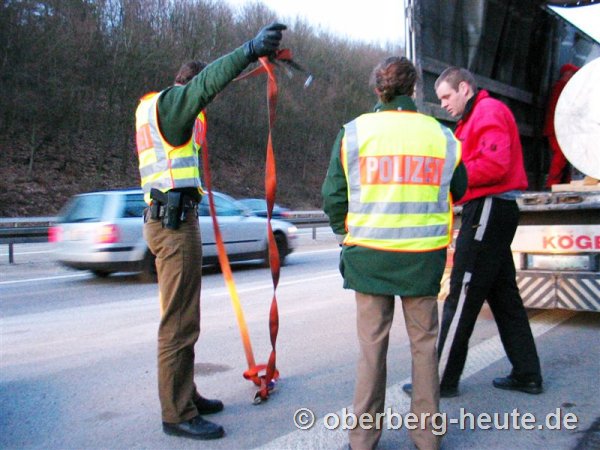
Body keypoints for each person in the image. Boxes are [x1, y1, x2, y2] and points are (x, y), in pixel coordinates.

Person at [134, 23, 287, 440]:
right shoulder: (174, 105)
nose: (207, 102)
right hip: (172, 225)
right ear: (191, 86)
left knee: (186, 318)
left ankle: (185, 394)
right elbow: (206, 84)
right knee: (178, 324)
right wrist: (249, 50)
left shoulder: (154, 110)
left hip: (170, 220)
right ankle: (177, 413)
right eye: (204, 94)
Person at [322, 56, 466, 450]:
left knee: (371, 350)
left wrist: (344, 233)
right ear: (415, 89)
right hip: (423, 258)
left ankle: (363, 440)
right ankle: (427, 438)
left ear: (377, 89)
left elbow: (332, 196)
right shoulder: (442, 135)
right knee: (424, 347)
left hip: (369, 257)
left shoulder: (354, 132)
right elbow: (459, 188)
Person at [403, 66, 542, 399]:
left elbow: (495, 165)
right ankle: (527, 374)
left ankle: (439, 380)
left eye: (446, 96)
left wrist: (448, 179)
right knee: (504, 297)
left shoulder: (488, 111)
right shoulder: (471, 119)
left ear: (464, 88)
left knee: (462, 293)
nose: (443, 104)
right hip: (492, 210)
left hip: (488, 210)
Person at [544, 63, 579, 188]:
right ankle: (552, 184)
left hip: (559, 129)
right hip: (557, 129)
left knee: (564, 155)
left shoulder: (561, 88)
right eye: (572, 74)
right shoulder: (562, 88)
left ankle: (564, 183)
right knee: (561, 154)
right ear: (566, 74)